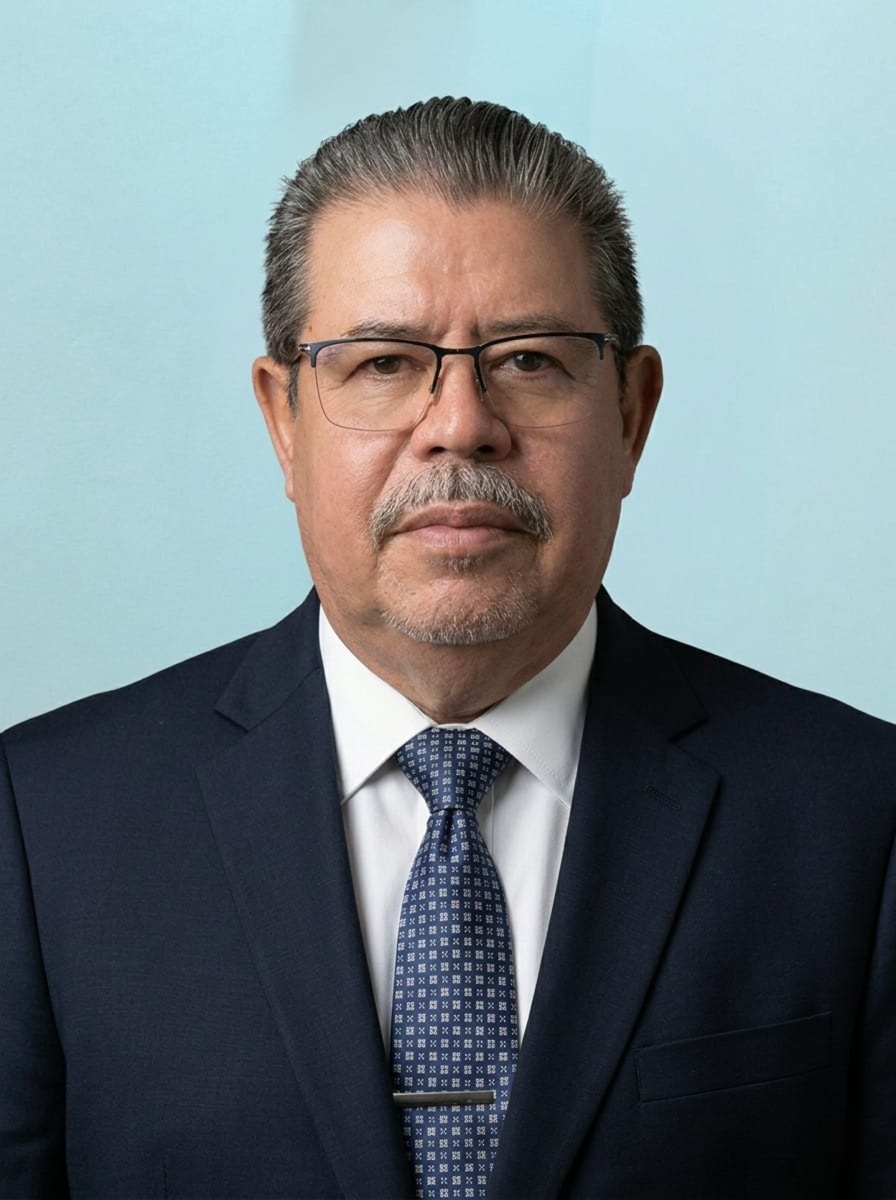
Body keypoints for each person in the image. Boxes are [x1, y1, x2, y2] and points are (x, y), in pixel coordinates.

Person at [1, 97, 894, 1200]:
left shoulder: (859, 818)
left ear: (631, 414)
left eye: (529, 359)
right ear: (283, 420)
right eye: (382, 363)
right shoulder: (43, 825)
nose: (460, 424)